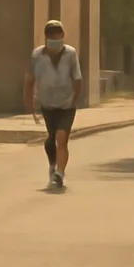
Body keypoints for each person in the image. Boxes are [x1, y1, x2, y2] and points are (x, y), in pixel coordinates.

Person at [24, 19, 83, 189]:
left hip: (67, 104)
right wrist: (30, 105)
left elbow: (77, 78)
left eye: (57, 34)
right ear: (45, 37)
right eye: (51, 35)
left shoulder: (70, 53)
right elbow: (29, 80)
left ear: (63, 35)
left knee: (61, 138)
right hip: (47, 103)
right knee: (51, 139)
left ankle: (60, 173)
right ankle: (52, 166)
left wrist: (75, 98)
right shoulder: (37, 55)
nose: (54, 38)